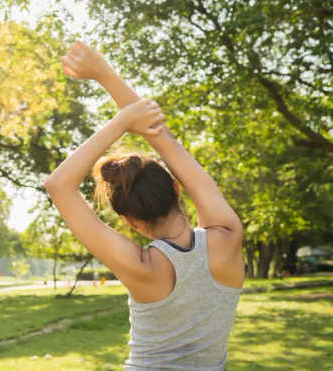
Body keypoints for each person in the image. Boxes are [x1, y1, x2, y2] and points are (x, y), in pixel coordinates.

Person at [43, 41, 245, 370]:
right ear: (177, 188)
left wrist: (121, 122)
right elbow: (163, 138)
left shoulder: (141, 266)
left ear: (129, 221)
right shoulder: (228, 235)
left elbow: (58, 185)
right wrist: (106, 75)